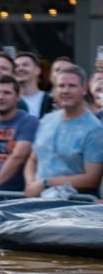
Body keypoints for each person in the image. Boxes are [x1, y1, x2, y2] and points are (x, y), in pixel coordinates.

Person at [23, 67, 103, 197]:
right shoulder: (47, 120)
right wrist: (31, 184)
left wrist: (46, 183)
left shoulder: (94, 129)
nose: (65, 91)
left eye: (72, 86)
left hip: (73, 209)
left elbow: (92, 179)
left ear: (84, 89)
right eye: (61, 86)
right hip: (37, 205)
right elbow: (33, 160)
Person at [15, 52, 54, 118]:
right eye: (16, 66)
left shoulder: (52, 100)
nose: (20, 68)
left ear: (37, 70)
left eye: (25, 65)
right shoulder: (8, 100)